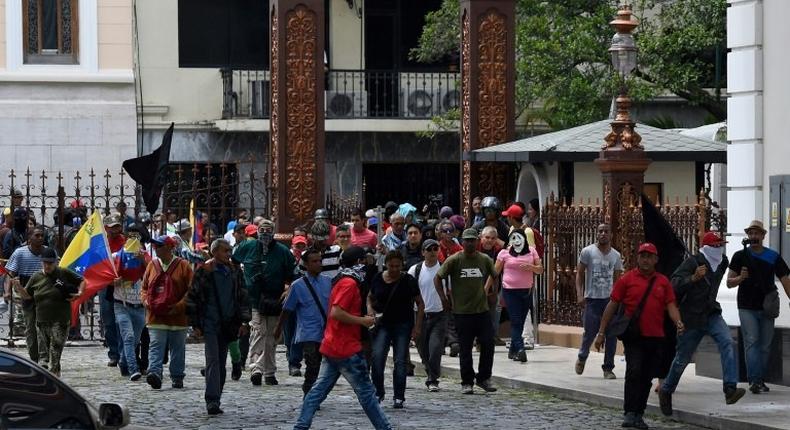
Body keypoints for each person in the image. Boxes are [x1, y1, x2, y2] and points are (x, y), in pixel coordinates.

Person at [294, 246, 393, 430]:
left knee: (317, 392)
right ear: (358, 262)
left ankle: (300, 426)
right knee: (367, 394)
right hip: (346, 347)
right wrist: (363, 321)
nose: (367, 264)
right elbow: (336, 312)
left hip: (333, 345)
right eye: (364, 260)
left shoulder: (341, 280)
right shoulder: (349, 283)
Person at [594, 243, 684, 429]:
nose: (645, 259)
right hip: (634, 336)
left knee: (646, 376)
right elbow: (612, 305)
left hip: (656, 336)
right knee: (634, 371)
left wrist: (678, 322)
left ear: (655, 260)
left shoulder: (663, 282)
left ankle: (639, 413)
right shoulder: (627, 280)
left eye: (649, 256)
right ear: (638, 258)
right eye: (642, 255)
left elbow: (671, 306)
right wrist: (601, 332)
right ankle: (629, 413)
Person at [658, 232, 746, 416]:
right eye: (716, 246)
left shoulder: (723, 262)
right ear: (707, 248)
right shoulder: (692, 262)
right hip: (690, 317)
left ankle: (730, 388)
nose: (719, 249)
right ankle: (666, 389)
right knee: (682, 358)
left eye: (721, 245)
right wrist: (693, 278)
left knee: (728, 343)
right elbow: (672, 285)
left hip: (712, 313)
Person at [186, 239, 251, 415]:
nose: (229, 254)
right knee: (213, 360)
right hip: (210, 322)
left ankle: (216, 396)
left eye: (230, 251)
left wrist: (244, 321)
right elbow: (193, 297)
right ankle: (212, 399)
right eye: (225, 251)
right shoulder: (204, 271)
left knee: (221, 363)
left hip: (228, 322)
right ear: (215, 252)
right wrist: (195, 324)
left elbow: (243, 296)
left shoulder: (235, 271)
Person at [727, 220, 790, 394]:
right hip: (746, 306)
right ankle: (755, 380)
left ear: (763, 236)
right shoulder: (740, 256)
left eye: (757, 233)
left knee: (765, 345)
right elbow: (729, 282)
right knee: (752, 341)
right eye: (751, 233)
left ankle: (759, 379)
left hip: (767, 306)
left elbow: (785, 279)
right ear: (748, 236)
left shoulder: (773, 256)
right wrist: (740, 278)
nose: (754, 236)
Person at [434, 228, 499, 394]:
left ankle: (484, 377)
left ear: (477, 241)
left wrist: (493, 294)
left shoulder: (484, 259)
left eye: (473, 240)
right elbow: (438, 277)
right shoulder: (454, 260)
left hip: (482, 310)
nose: (470, 243)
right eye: (467, 240)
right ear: (462, 242)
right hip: (462, 312)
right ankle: (467, 381)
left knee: (488, 343)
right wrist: (444, 299)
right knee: (465, 348)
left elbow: (494, 275)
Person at [233, 218, 296, 386]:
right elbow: (233, 261)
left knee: (272, 335)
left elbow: (292, 273)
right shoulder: (248, 247)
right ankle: (256, 368)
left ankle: (270, 371)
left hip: (275, 299)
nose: (265, 234)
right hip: (254, 299)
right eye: (262, 230)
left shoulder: (283, 251)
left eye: (269, 230)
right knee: (258, 332)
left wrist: (287, 288)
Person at [12, 248, 83, 377]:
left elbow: (82, 280)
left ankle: (54, 375)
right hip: (41, 320)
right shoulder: (36, 276)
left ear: (55, 262)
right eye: (45, 262)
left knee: (55, 348)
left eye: (50, 263)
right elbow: (27, 296)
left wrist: (79, 293)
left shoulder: (63, 272)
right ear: (41, 262)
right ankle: (48, 375)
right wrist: (18, 287)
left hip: (60, 319)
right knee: (43, 355)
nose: (47, 265)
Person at [368, 251, 424, 409]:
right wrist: (370, 310)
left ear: (402, 265)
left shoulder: (408, 280)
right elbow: (370, 296)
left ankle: (399, 395)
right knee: (378, 357)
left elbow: (420, 303)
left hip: (403, 324)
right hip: (383, 324)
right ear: (386, 264)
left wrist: (417, 326)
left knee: (400, 361)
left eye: (397, 266)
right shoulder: (378, 278)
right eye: (391, 266)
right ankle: (378, 390)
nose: (394, 269)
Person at [275, 249, 331, 396]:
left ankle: (314, 390)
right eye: (314, 261)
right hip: (308, 332)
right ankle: (309, 390)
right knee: (312, 363)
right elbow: (287, 309)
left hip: (325, 331)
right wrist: (278, 329)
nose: (318, 264)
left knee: (321, 365)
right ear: (306, 265)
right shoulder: (297, 285)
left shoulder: (328, 282)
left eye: (320, 261)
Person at [141, 235, 193, 390]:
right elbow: (144, 287)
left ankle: (177, 376)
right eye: (156, 246)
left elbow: (192, 290)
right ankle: (155, 373)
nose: (156, 249)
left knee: (177, 348)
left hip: (178, 317)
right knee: (156, 345)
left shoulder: (183, 265)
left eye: (160, 246)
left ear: (170, 248)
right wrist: (146, 301)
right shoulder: (152, 265)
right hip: (155, 315)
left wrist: (180, 306)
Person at [575, 224, 623, 379]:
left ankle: (608, 368)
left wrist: (618, 300)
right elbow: (580, 274)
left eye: (606, 231)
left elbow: (617, 280)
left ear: (611, 235)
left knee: (611, 335)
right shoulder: (587, 252)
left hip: (609, 301)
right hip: (592, 300)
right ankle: (582, 356)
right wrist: (580, 294)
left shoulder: (615, 256)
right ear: (597, 234)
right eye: (600, 231)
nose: (603, 234)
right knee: (589, 333)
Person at [494, 229, 542, 363]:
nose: (516, 241)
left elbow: (540, 269)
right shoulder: (504, 253)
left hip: (526, 290)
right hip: (509, 290)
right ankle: (520, 349)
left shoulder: (532, 251)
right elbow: (495, 272)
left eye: (519, 237)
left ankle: (512, 350)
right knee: (515, 319)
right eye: (513, 238)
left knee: (520, 321)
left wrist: (531, 267)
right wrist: (487, 288)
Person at [112, 224, 151, 380]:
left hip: (140, 306)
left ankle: (123, 361)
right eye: (130, 236)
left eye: (137, 236)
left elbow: (155, 273)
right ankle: (133, 368)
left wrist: (143, 260)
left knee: (134, 340)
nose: (133, 239)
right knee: (128, 337)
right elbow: (106, 277)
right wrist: (113, 281)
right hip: (121, 304)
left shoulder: (146, 256)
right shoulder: (116, 257)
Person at [5, 225, 49, 361]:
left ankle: (44, 357)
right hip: (27, 293)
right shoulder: (20, 253)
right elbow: (10, 274)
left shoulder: (48, 252)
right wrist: (7, 291)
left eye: (42, 235)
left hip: (44, 294)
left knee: (43, 327)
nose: (40, 238)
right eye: (37, 235)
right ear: (29, 238)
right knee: (30, 328)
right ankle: (34, 357)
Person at [408, 239, 446, 391]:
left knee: (435, 348)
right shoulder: (414, 270)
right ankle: (430, 371)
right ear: (423, 252)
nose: (432, 252)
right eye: (429, 249)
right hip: (420, 316)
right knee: (423, 350)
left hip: (439, 315)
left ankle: (433, 379)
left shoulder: (444, 269)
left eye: (435, 249)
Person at [102, 214, 126, 367]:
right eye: (112, 227)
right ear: (106, 228)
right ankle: (113, 353)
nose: (115, 230)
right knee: (108, 319)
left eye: (117, 226)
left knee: (121, 320)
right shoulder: (101, 243)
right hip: (105, 285)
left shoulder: (125, 242)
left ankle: (124, 352)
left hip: (122, 284)